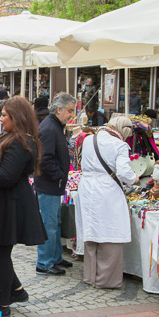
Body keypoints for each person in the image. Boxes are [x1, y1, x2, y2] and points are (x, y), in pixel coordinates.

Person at [0, 97, 47, 317]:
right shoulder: (13, 138)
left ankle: (1, 305)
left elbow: (6, 176)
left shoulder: (21, 142)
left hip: (7, 206)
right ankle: (15, 290)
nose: (1, 118)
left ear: (17, 117)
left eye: (5, 115)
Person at [75, 116, 138, 289]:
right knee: (110, 231)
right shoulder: (119, 145)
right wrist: (135, 178)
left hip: (86, 187)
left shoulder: (89, 140)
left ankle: (90, 276)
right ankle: (106, 279)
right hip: (108, 190)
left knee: (91, 230)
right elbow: (124, 172)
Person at [35, 93, 77, 276]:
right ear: (58, 109)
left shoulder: (55, 126)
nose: (71, 115)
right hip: (49, 183)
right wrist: (59, 175)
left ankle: (55, 257)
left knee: (56, 223)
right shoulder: (50, 128)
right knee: (49, 225)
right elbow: (44, 158)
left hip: (53, 183)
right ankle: (44, 262)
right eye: (69, 111)